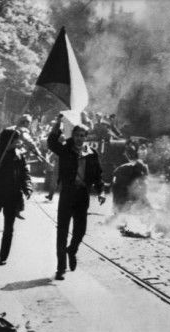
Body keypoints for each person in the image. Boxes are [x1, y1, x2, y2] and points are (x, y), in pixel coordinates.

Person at [48, 114, 106, 280]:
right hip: (67, 194)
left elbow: (98, 175)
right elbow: (52, 142)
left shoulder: (91, 154)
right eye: (77, 135)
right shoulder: (65, 149)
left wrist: (101, 191)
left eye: (82, 136)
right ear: (72, 136)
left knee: (80, 231)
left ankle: (71, 250)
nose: (79, 138)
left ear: (86, 138)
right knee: (62, 231)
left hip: (82, 196)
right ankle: (61, 268)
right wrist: (58, 122)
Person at [0, 128, 32, 269]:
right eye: (15, 140)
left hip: (12, 195)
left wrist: (27, 187)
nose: (18, 142)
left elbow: (24, 174)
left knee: (9, 228)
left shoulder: (19, 156)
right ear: (6, 141)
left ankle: (3, 257)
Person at [112, 142, 149, 213]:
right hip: (124, 190)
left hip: (122, 191)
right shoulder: (141, 166)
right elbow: (143, 184)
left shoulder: (120, 167)